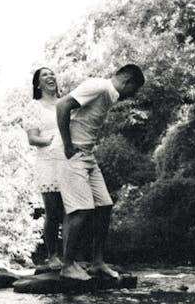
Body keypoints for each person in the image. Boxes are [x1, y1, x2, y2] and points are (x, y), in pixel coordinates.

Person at [53, 64, 145, 281]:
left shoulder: (108, 95)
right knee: (81, 210)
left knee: (104, 205)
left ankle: (97, 263)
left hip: (86, 155)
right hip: (71, 153)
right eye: (134, 89)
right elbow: (62, 106)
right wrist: (67, 144)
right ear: (127, 82)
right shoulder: (99, 86)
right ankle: (67, 265)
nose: (133, 95)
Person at [24, 67, 64, 270]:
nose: (50, 77)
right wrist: (50, 141)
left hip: (69, 159)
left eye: (52, 74)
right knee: (53, 210)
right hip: (47, 160)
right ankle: (52, 256)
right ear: (38, 84)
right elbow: (32, 138)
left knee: (72, 210)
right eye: (44, 75)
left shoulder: (66, 103)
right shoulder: (34, 106)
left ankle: (70, 256)